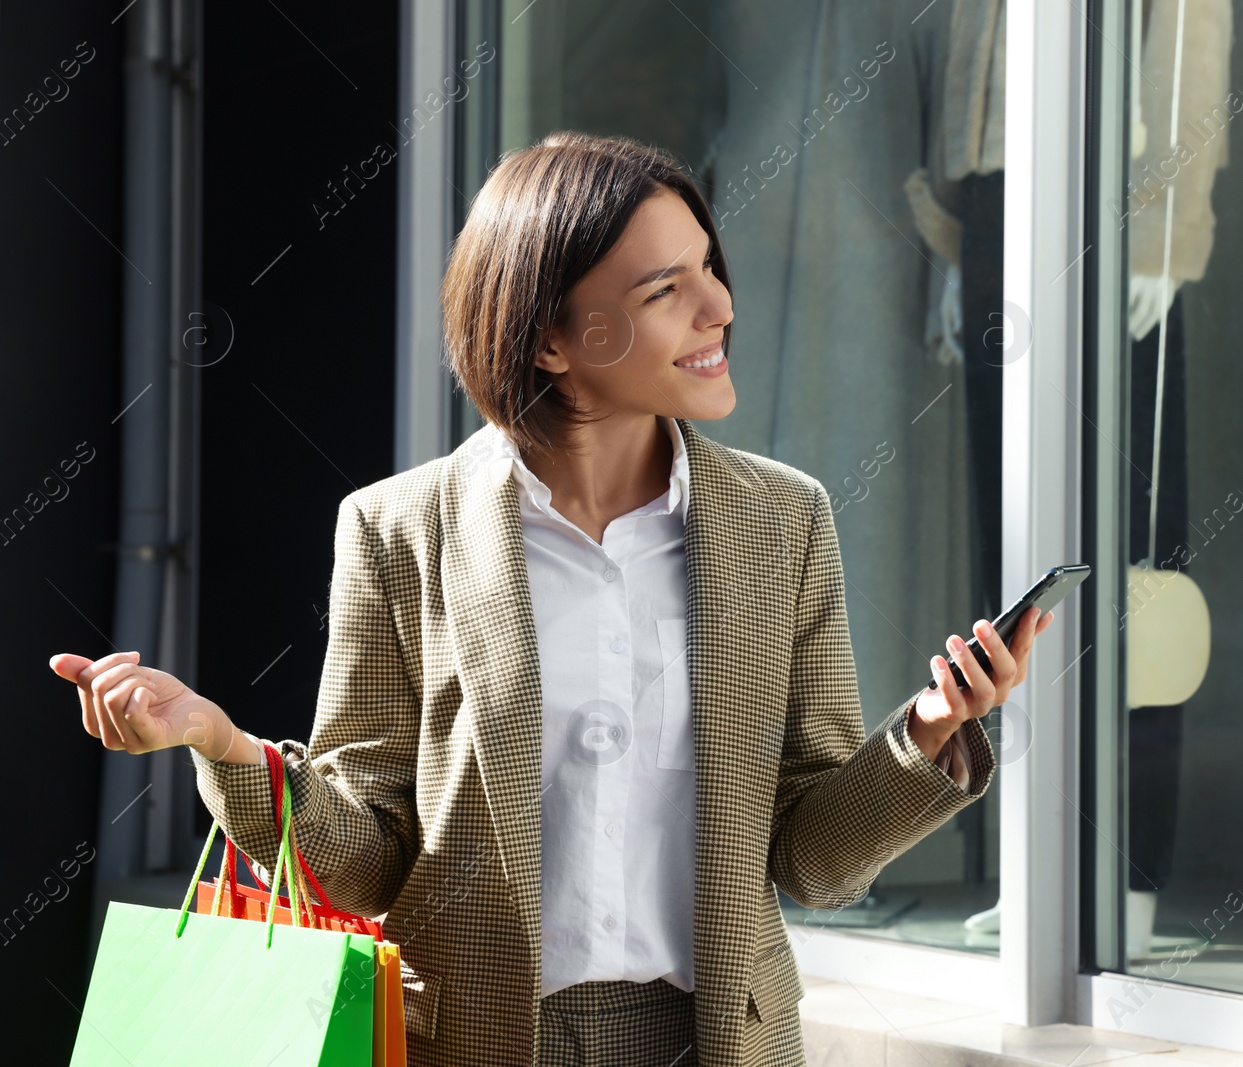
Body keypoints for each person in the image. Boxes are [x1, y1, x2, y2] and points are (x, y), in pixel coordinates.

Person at [49, 131, 1052, 1067]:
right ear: (548, 340)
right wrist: (225, 749)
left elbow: (810, 860)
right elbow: (364, 860)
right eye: (667, 287)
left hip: (714, 1035)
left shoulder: (783, 520)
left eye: (709, 267)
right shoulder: (399, 530)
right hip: (481, 1036)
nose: (719, 307)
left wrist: (928, 729)